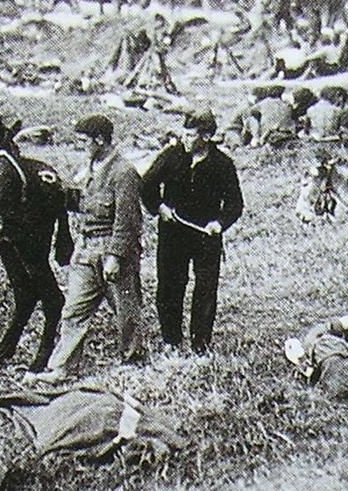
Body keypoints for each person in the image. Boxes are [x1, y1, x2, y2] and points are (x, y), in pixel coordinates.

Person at [32, 114, 144, 383]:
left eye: (84, 141)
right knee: (74, 310)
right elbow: (82, 204)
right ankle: (63, 367)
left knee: (126, 309)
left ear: (100, 140)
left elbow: (128, 220)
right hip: (86, 249)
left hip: (112, 250)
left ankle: (132, 359)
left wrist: (115, 256)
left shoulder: (123, 173)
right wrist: (58, 187)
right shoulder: (89, 169)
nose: (80, 145)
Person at [141, 110, 243, 354]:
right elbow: (147, 185)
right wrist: (159, 207)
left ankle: (200, 346)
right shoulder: (172, 156)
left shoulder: (222, 164)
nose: (185, 139)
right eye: (184, 134)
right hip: (172, 234)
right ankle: (171, 342)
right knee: (169, 286)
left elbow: (235, 204)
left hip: (206, 237)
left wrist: (219, 223)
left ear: (206, 137)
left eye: (191, 135)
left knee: (206, 290)